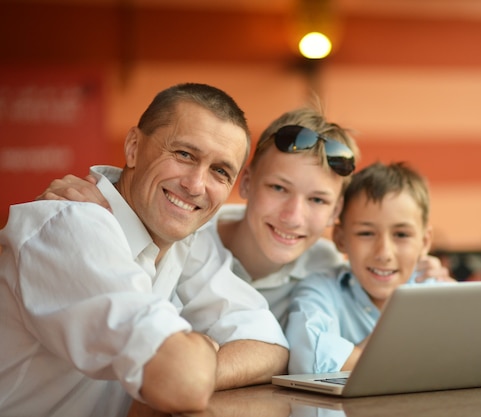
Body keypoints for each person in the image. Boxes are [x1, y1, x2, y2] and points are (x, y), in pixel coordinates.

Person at [0, 83, 288, 417]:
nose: (195, 186)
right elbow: (182, 384)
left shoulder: (184, 239)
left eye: (219, 171)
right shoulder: (73, 227)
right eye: (184, 154)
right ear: (134, 147)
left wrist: (199, 360)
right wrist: (195, 354)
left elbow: (271, 346)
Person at [37, 108, 452, 330]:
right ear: (247, 182)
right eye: (279, 189)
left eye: (318, 200)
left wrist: (421, 277)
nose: (293, 216)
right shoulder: (182, 233)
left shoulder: (329, 267)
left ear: (336, 213)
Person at [285, 161, 455, 374]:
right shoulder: (319, 291)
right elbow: (308, 363)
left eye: (401, 235)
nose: (384, 253)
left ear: (424, 242)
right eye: (366, 233)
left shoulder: (442, 294)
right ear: (340, 238)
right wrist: (402, 334)